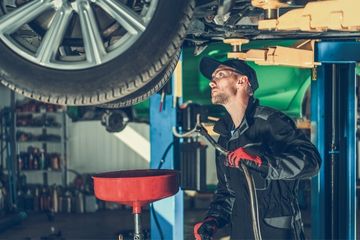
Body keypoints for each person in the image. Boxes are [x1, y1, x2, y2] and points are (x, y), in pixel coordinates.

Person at [193, 57, 321, 240]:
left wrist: (263, 162)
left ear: (242, 81)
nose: (212, 81)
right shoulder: (224, 138)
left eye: (220, 74)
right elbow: (227, 193)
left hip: (277, 232)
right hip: (241, 233)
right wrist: (213, 220)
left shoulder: (270, 121)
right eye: (212, 77)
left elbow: (311, 162)